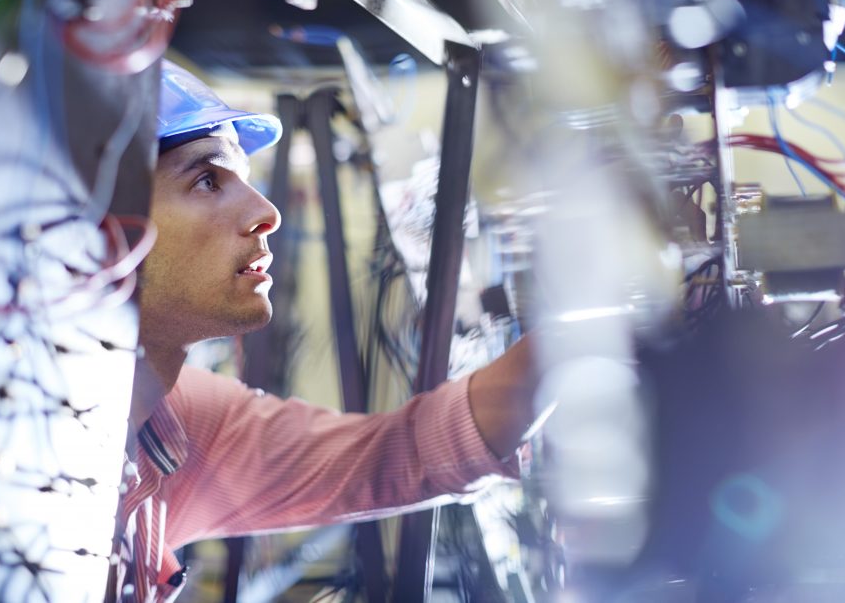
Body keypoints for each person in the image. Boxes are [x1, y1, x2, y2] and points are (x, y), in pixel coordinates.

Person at [109, 59, 545, 602]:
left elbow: (398, 456)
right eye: (205, 179)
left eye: (243, 178)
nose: (267, 211)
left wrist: (581, 344)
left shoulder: (177, 421)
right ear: (98, 225)